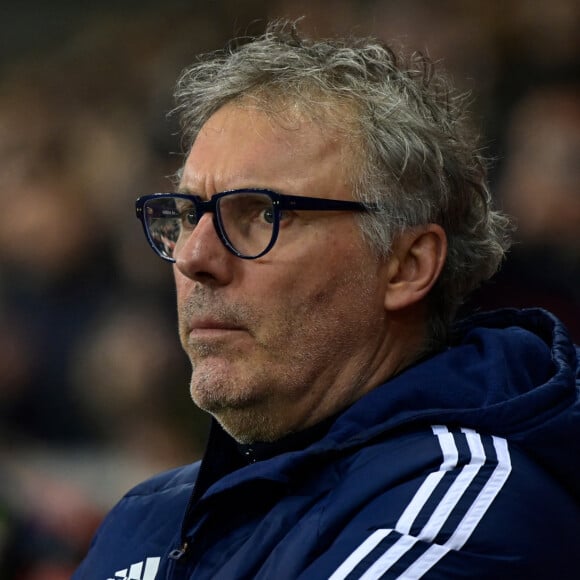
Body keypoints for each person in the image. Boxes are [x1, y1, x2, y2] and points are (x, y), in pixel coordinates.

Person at [74, 21, 580, 579]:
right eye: (190, 215)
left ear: (407, 266)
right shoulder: (144, 518)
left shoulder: (464, 512)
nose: (194, 258)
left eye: (262, 214)